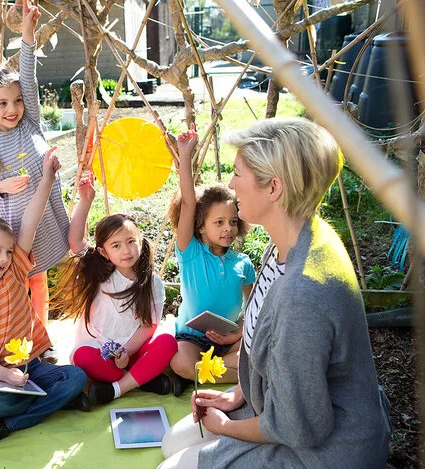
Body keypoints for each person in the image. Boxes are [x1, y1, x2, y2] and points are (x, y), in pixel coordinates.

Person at [158, 118, 391, 469]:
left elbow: (300, 427)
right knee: (170, 444)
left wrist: (227, 428)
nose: (231, 186)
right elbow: (261, 350)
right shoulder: (287, 243)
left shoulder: (303, 294)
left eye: (238, 173)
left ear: (274, 188)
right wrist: (236, 395)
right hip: (276, 407)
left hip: (327, 450)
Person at [0, 147, 89, 449]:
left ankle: (9, 425)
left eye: (8, 251)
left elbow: (30, 222)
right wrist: (3, 374)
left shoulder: (14, 270)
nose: (4, 258)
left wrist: (48, 178)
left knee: (77, 378)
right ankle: (43, 405)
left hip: (33, 365)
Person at [0, 0, 68, 363]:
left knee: (39, 280)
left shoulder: (30, 122)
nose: (12, 109)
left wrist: (26, 35)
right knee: (18, 283)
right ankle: (21, 342)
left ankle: (43, 340)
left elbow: (29, 77)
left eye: (16, 101)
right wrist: (0, 188)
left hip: (45, 218)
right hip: (13, 228)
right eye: (2, 103)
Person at [53, 175, 177, 405]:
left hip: (132, 351)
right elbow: (75, 240)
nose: (126, 251)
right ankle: (142, 379)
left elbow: (148, 327)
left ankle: (117, 389)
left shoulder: (152, 283)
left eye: (131, 241)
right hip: (99, 351)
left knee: (168, 342)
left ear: (140, 240)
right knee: (82, 358)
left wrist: (127, 352)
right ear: (103, 252)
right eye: (116, 246)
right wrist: (86, 200)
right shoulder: (100, 272)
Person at [166, 126, 255, 397]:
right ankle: (227, 374)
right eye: (219, 222)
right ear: (201, 227)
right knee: (181, 362)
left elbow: (252, 311)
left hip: (228, 341)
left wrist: (236, 336)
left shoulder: (243, 264)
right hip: (191, 338)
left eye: (232, 222)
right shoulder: (190, 253)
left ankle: (206, 374)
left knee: (255, 352)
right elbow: (189, 202)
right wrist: (185, 155)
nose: (228, 228)